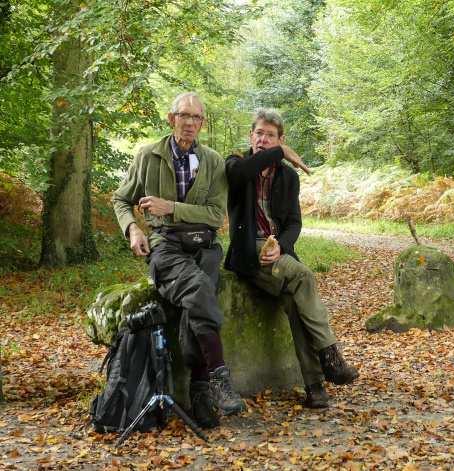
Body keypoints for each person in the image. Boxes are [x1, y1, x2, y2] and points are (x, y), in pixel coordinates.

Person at [111, 93, 307, 428]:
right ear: (171, 118)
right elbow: (121, 198)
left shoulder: (213, 161)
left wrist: (170, 207)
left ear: (202, 123)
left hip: (205, 247)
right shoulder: (148, 156)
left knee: (197, 302)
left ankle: (199, 388)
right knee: (201, 289)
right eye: (183, 115)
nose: (189, 122)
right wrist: (132, 229)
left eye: (196, 117)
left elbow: (216, 215)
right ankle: (216, 378)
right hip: (167, 247)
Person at [225, 108, 359, 409]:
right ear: (251, 135)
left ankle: (315, 388)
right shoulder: (236, 163)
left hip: (277, 254)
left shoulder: (287, 176)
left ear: (279, 138)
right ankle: (331, 357)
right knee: (303, 276)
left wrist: (282, 247)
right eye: (258, 133)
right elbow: (240, 175)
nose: (262, 139)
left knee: (294, 303)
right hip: (248, 253)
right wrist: (281, 152)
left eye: (270, 136)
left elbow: (294, 223)